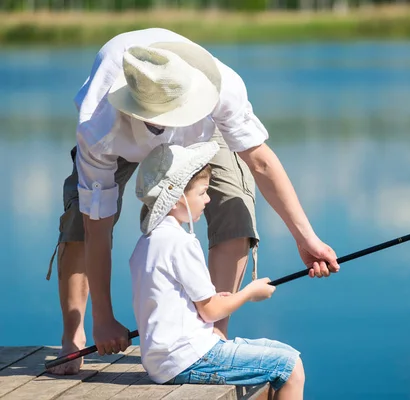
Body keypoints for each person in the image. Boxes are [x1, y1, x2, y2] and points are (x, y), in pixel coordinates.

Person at [47, 28, 339, 375]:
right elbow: (98, 223)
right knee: (80, 217)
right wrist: (105, 318)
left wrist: (306, 238)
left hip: (202, 132)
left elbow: (260, 161)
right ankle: (74, 337)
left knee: (234, 203)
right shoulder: (99, 124)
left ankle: (212, 337)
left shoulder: (220, 88)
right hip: (123, 137)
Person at [130, 142, 304, 399]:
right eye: (202, 193)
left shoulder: (145, 243)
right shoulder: (182, 242)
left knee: (278, 351)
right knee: (290, 366)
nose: (208, 199)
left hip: (160, 361)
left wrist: (220, 299)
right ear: (179, 198)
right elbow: (210, 311)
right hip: (189, 358)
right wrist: (248, 293)